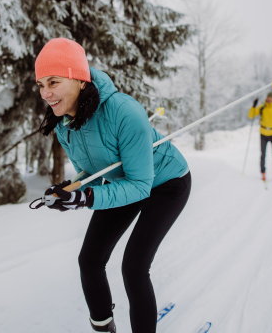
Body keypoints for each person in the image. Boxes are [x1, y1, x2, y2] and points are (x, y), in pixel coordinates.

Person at [35, 38, 191, 333]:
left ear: (79, 80)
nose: (46, 93)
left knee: (133, 268)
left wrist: (85, 198)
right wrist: (69, 188)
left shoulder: (124, 111)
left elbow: (141, 185)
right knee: (89, 260)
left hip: (166, 183)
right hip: (124, 181)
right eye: (41, 85)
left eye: (53, 82)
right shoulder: (63, 122)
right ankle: (104, 328)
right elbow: (94, 168)